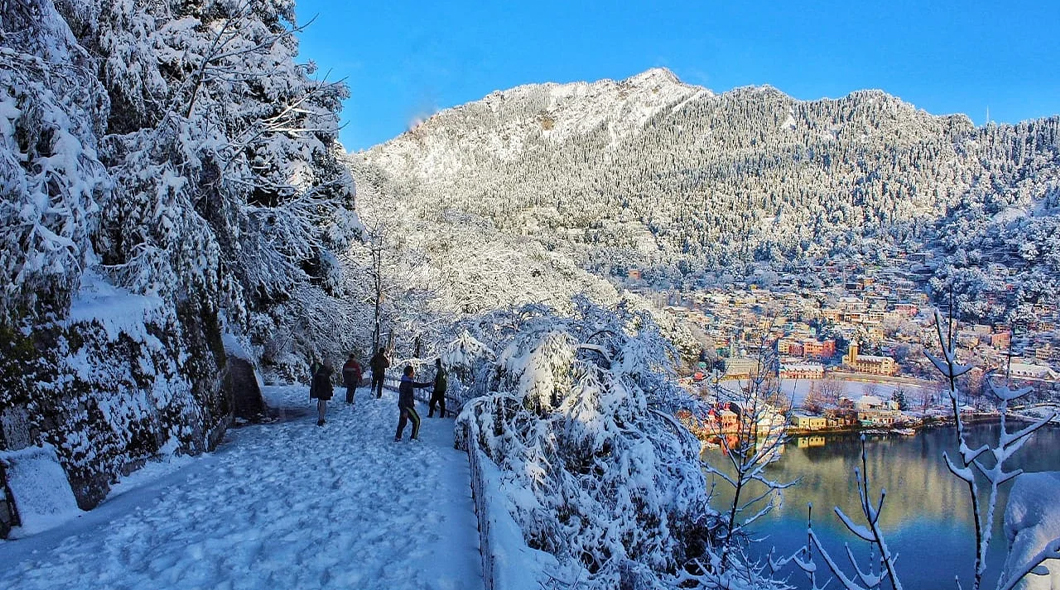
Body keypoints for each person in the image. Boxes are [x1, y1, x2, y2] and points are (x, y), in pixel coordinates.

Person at [395, 365, 430, 441]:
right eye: (412, 372)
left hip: (404, 406)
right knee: (416, 421)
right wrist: (404, 410)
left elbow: (418, 385)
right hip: (406, 406)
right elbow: (401, 398)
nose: (413, 373)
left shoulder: (408, 381)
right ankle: (413, 438)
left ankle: (398, 437)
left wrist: (429, 384)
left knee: (403, 422)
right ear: (409, 373)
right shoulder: (405, 384)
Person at [310, 361, 334, 426]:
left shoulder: (322, 370)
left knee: (322, 405)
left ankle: (321, 419)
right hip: (322, 391)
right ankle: (321, 420)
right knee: (323, 406)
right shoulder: (323, 372)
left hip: (321, 391)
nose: (331, 365)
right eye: (330, 364)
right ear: (326, 364)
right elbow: (323, 382)